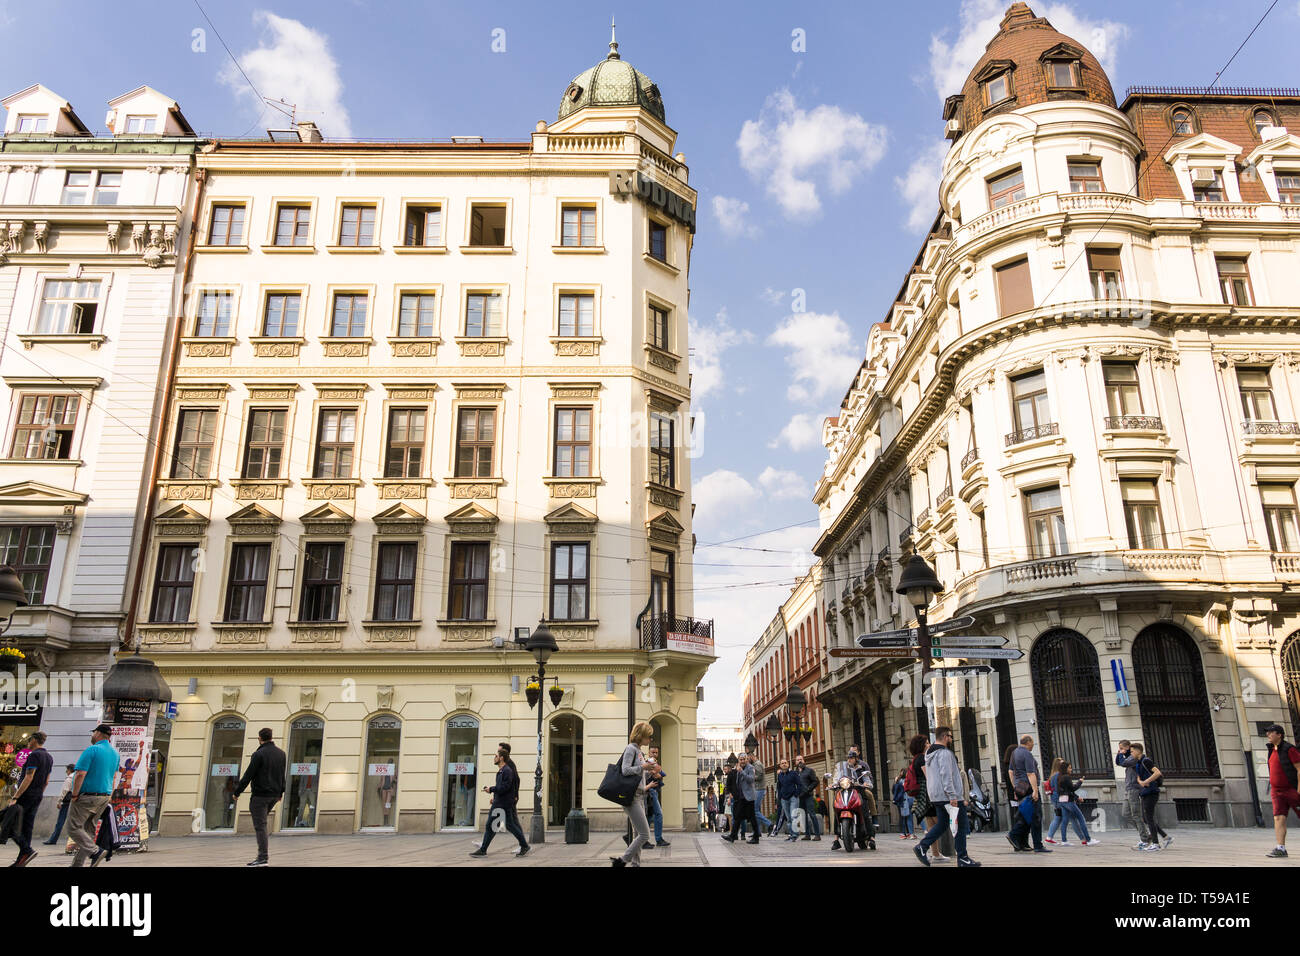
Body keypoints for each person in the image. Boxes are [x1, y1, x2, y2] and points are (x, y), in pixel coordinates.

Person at [913, 727, 980, 867]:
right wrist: (953, 796)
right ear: (944, 737)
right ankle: (963, 858)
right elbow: (946, 775)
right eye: (950, 736)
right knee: (962, 825)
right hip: (948, 796)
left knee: (942, 824)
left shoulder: (929, 753)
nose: (951, 739)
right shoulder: (944, 753)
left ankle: (922, 846)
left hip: (936, 796)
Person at [66, 724, 119, 868]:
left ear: (99, 734)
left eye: (93, 732)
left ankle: (95, 851)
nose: (92, 735)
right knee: (89, 831)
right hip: (104, 796)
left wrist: (75, 794)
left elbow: (80, 774)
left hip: (86, 796)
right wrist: (109, 794)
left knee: (73, 828)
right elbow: (114, 776)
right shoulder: (115, 754)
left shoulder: (92, 750)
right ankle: (77, 864)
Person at [232, 727, 286, 867]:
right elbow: (282, 774)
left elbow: (248, 775)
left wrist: (237, 792)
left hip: (261, 795)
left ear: (259, 738)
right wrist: (281, 792)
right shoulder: (281, 753)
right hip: (274, 795)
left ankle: (262, 857)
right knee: (262, 823)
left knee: (260, 826)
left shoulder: (258, 754)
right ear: (271, 737)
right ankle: (262, 856)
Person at [471, 743, 528, 857]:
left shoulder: (507, 769)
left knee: (494, 825)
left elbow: (507, 786)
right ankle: (524, 845)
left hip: (503, 804)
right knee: (506, 825)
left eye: (496, 755)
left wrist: (491, 789)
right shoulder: (503, 770)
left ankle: (483, 850)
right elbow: (504, 787)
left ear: (501, 757)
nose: (494, 757)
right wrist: (495, 796)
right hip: (501, 802)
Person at [612, 722, 655, 867]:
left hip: (640, 796)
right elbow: (625, 770)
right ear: (641, 736)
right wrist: (643, 767)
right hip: (631, 797)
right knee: (645, 834)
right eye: (648, 736)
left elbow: (639, 771)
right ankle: (622, 860)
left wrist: (650, 770)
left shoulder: (639, 751)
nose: (650, 739)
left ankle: (636, 864)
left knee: (638, 833)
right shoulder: (630, 749)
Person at [8, 730, 53, 867]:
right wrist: (39, 793)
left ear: (34, 740)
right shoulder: (49, 757)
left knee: (10, 824)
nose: (28, 743)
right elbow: (46, 781)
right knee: (27, 828)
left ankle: (27, 851)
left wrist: (16, 797)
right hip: (37, 795)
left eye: (29, 740)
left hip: (26, 795)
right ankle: (22, 859)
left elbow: (29, 777)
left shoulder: (34, 755)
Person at [1007, 735, 1049, 853]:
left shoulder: (1014, 753)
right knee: (1036, 816)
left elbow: (1010, 771)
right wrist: (1035, 790)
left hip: (1020, 788)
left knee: (1026, 815)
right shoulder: (1027, 754)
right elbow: (1031, 773)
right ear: (1028, 742)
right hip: (1029, 788)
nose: (1033, 745)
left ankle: (1021, 842)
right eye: (1033, 743)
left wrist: (1015, 786)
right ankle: (1036, 844)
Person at [1265, 723, 1300, 858]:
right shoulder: (1271, 749)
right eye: (1267, 732)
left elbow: (1299, 768)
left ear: (1279, 735)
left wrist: (1299, 789)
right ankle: (1281, 848)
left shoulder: (1289, 749)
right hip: (1277, 791)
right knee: (1279, 818)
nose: (1268, 734)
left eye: (1271, 732)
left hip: (1292, 789)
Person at [830, 748, 874, 850]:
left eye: (852, 758)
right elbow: (838, 777)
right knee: (837, 808)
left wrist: (866, 783)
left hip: (858, 791)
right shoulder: (844, 768)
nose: (850, 760)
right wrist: (834, 783)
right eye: (849, 758)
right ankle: (836, 839)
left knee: (864, 810)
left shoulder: (862, 767)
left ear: (856, 759)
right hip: (845, 791)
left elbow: (868, 779)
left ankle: (871, 836)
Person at [909, 735, 944, 861]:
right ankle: (923, 847)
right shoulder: (922, 759)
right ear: (922, 745)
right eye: (927, 743)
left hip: (924, 796)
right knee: (941, 823)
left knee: (931, 825)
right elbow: (929, 776)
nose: (929, 745)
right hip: (929, 796)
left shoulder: (916, 759)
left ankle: (935, 854)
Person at [1130, 742, 1170, 851]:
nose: (1131, 753)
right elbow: (1138, 777)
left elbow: (1157, 773)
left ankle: (1156, 844)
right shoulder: (1138, 763)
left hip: (1152, 792)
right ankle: (1166, 837)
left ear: (1138, 751)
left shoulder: (1146, 760)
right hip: (1144, 792)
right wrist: (1141, 782)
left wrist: (1147, 781)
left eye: (1132, 751)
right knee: (1146, 819)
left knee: (1149, 818)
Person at [1115, 740, 1152, 847]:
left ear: (1127, 747)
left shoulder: (1134, 758)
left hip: (1134, 788)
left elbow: (1124, 763)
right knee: (1126, 814)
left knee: (1136, 815)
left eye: (1122, 748)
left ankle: (1145, 839)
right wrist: (1119, 753)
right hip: (1128, 788)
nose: (1120, 750)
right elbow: (1118, 762)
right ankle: (1146, 834)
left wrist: (1122, 754)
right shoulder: (1129, 756)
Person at [1053, 761, 1098, 845]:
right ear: (1065, 769)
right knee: (1081, 819)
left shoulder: (1059, 777)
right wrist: (1080, 781)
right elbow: (1073, 788)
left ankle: (1064, 840)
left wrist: (1077, 798)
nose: (1071, 769)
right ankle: (1088, 839)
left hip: (1062, 801)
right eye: (1069, 768)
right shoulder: (1066, 777)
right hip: (1069, 802)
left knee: (1065, 821)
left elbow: (1067, 790)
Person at [723, 753, 760, 845]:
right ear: (738, 760)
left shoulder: (750, 768)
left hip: (748, 797)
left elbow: (751, 779)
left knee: (752, 817)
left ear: (747, 760)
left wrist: (742, 772)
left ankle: (756, 837)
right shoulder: (738, 769)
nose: (742, 761)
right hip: (741, 797)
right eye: (741, 759)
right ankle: (732, 836)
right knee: (738, 817)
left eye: (744, 759)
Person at [43, 764, 76, 847]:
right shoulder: (78, 777)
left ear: (70, 770)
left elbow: (64, 791)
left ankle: (53, 839)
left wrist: (59, 801)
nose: (66, 772)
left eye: (67, 770)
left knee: (60, 821)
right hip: (75, 802)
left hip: (66, 802)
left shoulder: (69, 779)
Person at [643, 745, 670, 848]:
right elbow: (659, 773)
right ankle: (658, 839)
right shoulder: (648, 763)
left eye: (656, 753)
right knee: (658, 814)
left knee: (650, 817)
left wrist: (659, 775)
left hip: (653, 791)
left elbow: (662, 774)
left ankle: (643, 839)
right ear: (649, 753)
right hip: (650, 791)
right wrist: (656, 773)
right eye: (652, 752)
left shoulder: (654, 763)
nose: (654, 754)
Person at [793, 755, 822, 840]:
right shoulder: (795, 773)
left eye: (801, 759)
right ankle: (807, 835)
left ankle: (817, 835)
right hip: (800, 796)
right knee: (803, 815)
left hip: (808, 796)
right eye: (798, 760)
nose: (799, 761)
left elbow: (816, 781)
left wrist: (809, 789)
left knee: (812, 815)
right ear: (795, 762)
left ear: (804, 761)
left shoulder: (809, 771)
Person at [775, 758, 802, 841]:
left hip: (793, 798)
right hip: (784, 799)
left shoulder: (793, 773)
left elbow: (800, 784)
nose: (784, 764)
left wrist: (796, 794)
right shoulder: (780, 775)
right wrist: (779, 800)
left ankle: (795, 835)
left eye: (785, 763)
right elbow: (779, 788)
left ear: (788, 764)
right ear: (780, 766)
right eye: (782, 763)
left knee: (793, 816)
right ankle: (791, 834)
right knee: (788, 818)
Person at [1043, 757, 1065, 844]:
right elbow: (1057, 789)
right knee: (1064, 817)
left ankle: (1049, 837)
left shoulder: (1054, 775)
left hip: (1056, 800)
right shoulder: (1057, 775)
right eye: (1062, 764)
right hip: (1058, 800)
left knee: (1058, 818)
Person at [893, 770, 915, 839]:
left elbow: (894, 791)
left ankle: (904, 833)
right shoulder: (906, 781)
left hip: (903, 801)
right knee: (907, 817)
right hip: (906, 800)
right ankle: (909, 833)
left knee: (903, 817)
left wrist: (896, 782)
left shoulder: (900, 782)